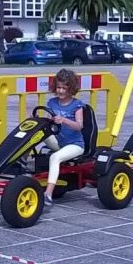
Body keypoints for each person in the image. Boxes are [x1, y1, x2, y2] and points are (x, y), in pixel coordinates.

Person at [43, 69, 85, 206]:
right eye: (58, 87)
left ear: (71, 88)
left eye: (64, 88)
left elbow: (79, 126)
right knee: (36, 134)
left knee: (54, 158)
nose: (60, 91)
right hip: (58, 142)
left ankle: (48, 194)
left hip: (75, 145)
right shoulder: (52, 103)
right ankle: (21, 164)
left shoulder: (77, 105)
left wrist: (64, 120)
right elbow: (48, 123)